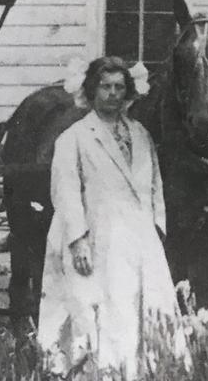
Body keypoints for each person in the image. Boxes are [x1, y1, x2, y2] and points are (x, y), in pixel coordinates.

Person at [37, 56, 178, 379]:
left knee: (148, 310)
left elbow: (154, 183)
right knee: (104, 311)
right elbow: (66, 191)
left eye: (119, 87)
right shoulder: (74, 137)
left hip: (140, 239)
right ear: (91, 90)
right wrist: (78, 240)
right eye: (105, 87)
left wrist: (157, 227)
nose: (113, 94)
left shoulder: (141, 134)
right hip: (99, 239)